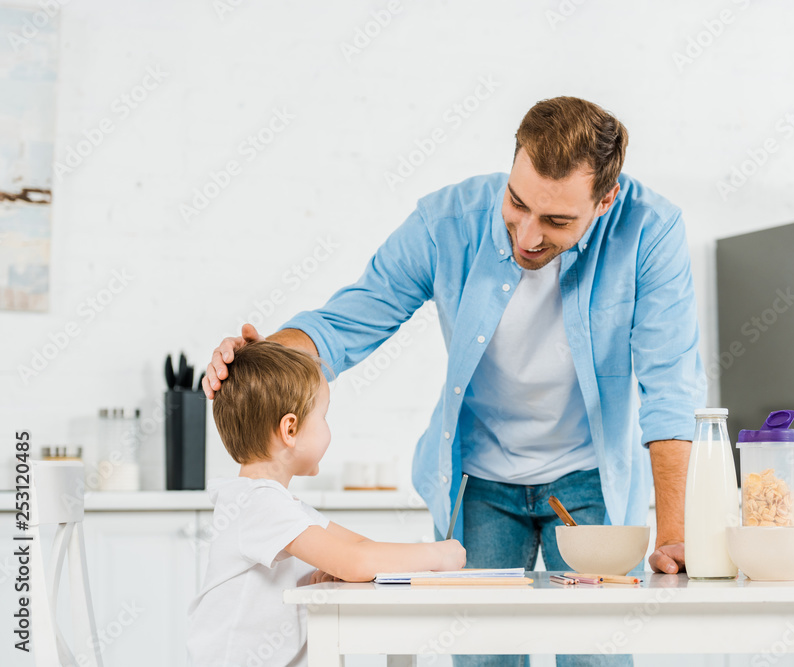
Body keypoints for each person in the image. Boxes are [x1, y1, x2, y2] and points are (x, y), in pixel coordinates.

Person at [205, 96, 706, 666]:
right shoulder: (447, 222)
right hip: (482, 481)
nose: (528, 236)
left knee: (596, 652)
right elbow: (352, 320)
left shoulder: (651, 230)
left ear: (605, 198)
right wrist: (258, 356)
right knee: (482, 653)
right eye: (517, 204)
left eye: (558, 221)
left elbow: (671, 385)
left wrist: (673, 536)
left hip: (592, 481)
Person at [188, 341, 465, 667]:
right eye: (324, 415)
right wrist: (437, 554)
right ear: (290, 429)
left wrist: (337, 568)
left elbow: (359, 547)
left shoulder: (279, 503)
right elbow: (354, 559)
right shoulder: (258, 502)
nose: (327, 428)